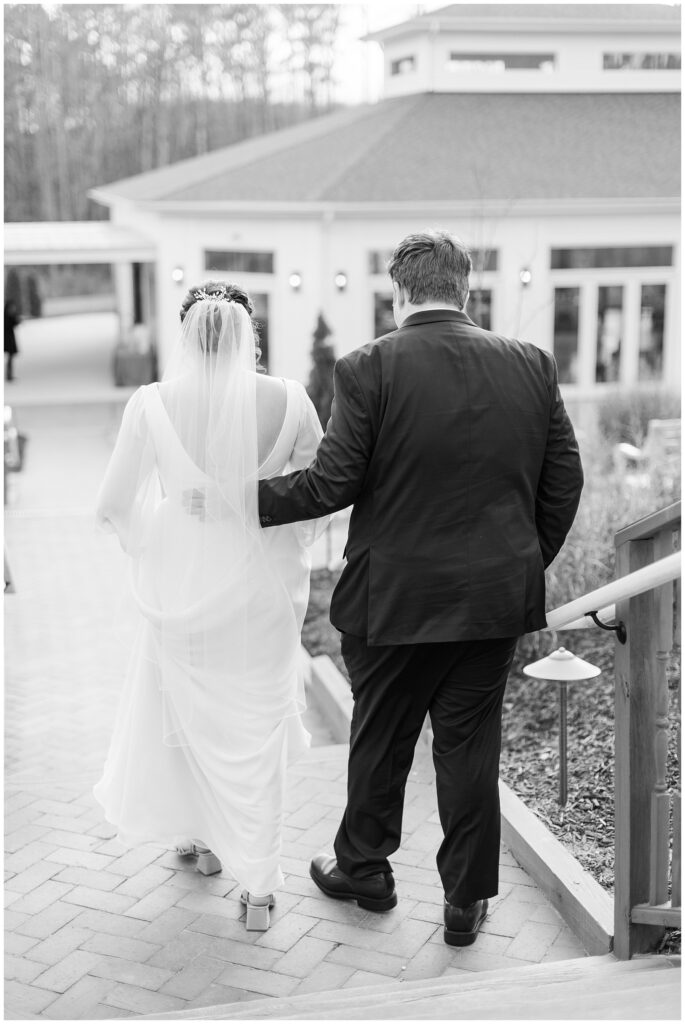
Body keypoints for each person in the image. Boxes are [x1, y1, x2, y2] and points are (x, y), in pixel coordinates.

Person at [258, 230, 584, 946]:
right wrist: (522, 561)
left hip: (392, 600)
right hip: (491, 601)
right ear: (464, 290)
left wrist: (249, 501)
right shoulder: (528, 364)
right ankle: (465, 902)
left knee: (380, 737)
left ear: (399, 292)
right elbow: (564, 481)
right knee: (468, 749)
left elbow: (333, 482)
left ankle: (365, 871)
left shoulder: (368, 366)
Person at [93, 281, 326, 931]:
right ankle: (257, 890)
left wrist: (156, 539)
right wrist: (255, 514)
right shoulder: (291, 401)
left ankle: (195, 842)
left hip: (184, 592)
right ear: (249, 335)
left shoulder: (151, 404)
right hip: (263, 594)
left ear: (187, 337)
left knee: (188, 713)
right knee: (255, 730)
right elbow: (317, 492)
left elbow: (115, 503)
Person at [4, 299, 21, 382]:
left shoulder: (10, 315)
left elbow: (14, 323)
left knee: (10, 357)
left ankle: (9, 375)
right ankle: (8, 375)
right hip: (6, 339)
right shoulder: (6, 316)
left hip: (9, 339)